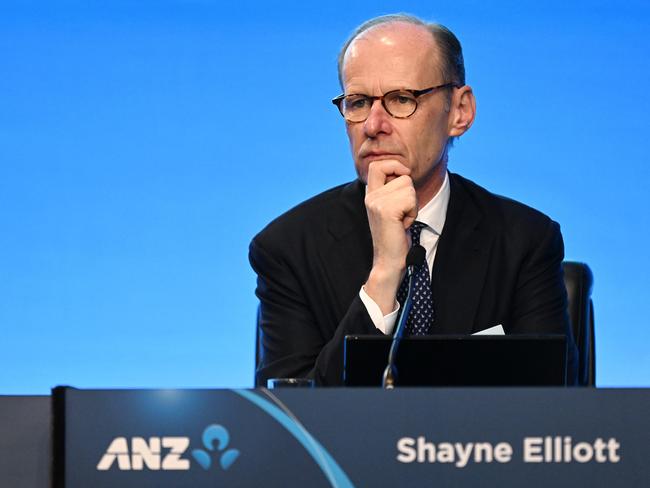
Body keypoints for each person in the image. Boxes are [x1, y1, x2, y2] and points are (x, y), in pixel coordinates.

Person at [249, 13, 578, 386]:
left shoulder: (524, 242)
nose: (373, 125)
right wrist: (386, 273)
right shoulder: (288, 249)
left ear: (460, 111)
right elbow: (293, 423)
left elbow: (555, 412)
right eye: (358, 103)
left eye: (401, 99)